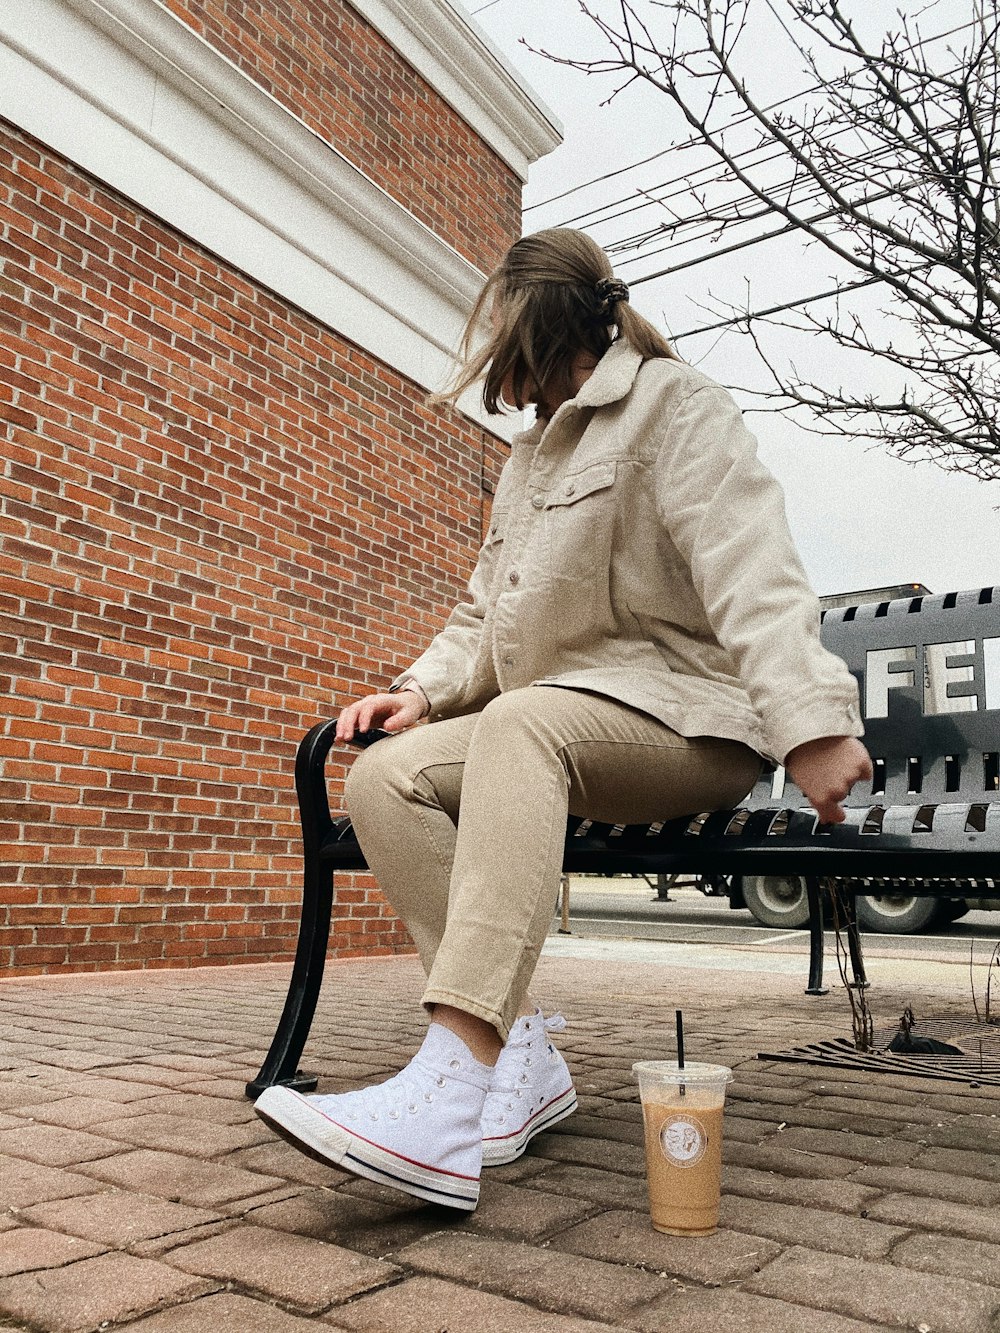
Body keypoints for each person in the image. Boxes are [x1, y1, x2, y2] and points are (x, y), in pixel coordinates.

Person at [254, 227, 872, 1210]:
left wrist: (809, 724)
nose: (499, 376)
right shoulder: (532, 458)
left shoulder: (674, 407)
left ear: (537, 335)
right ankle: (524, 1056)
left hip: (685, 724)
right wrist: (419, 691)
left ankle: (450, 1093)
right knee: (384, 774)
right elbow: (483, 609)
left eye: (503, 346)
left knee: (523, 722)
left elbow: (753, 569)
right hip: (559, 721)